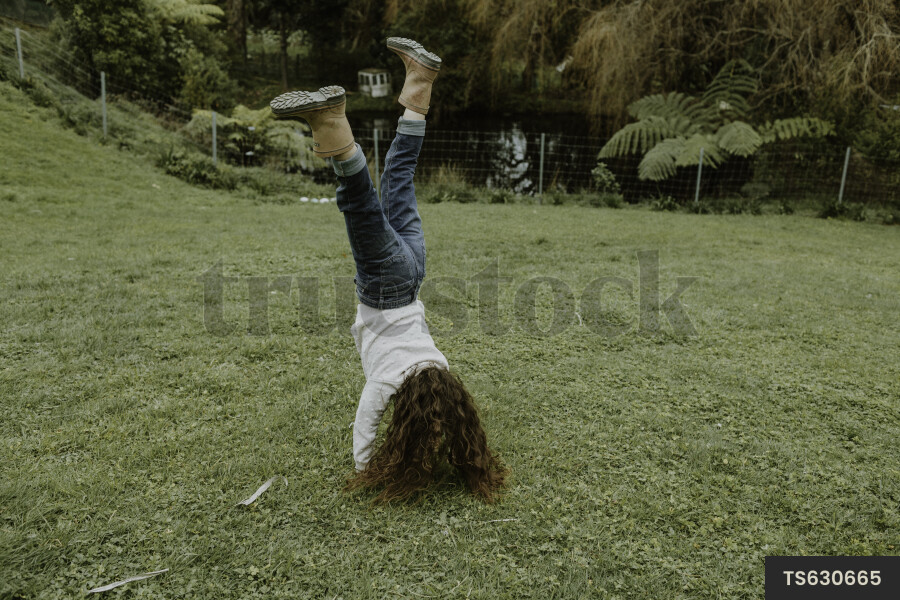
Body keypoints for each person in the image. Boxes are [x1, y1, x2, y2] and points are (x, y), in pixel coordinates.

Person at [270, 38, 506, 503]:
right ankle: (331, 118)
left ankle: (420, 81)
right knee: (358, 204)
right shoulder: (385, 383)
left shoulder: (440, 367)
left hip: (415, 271)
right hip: (385, 285)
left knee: (399, 176)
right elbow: (366, 423)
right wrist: (364, 466)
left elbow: (448, 408)